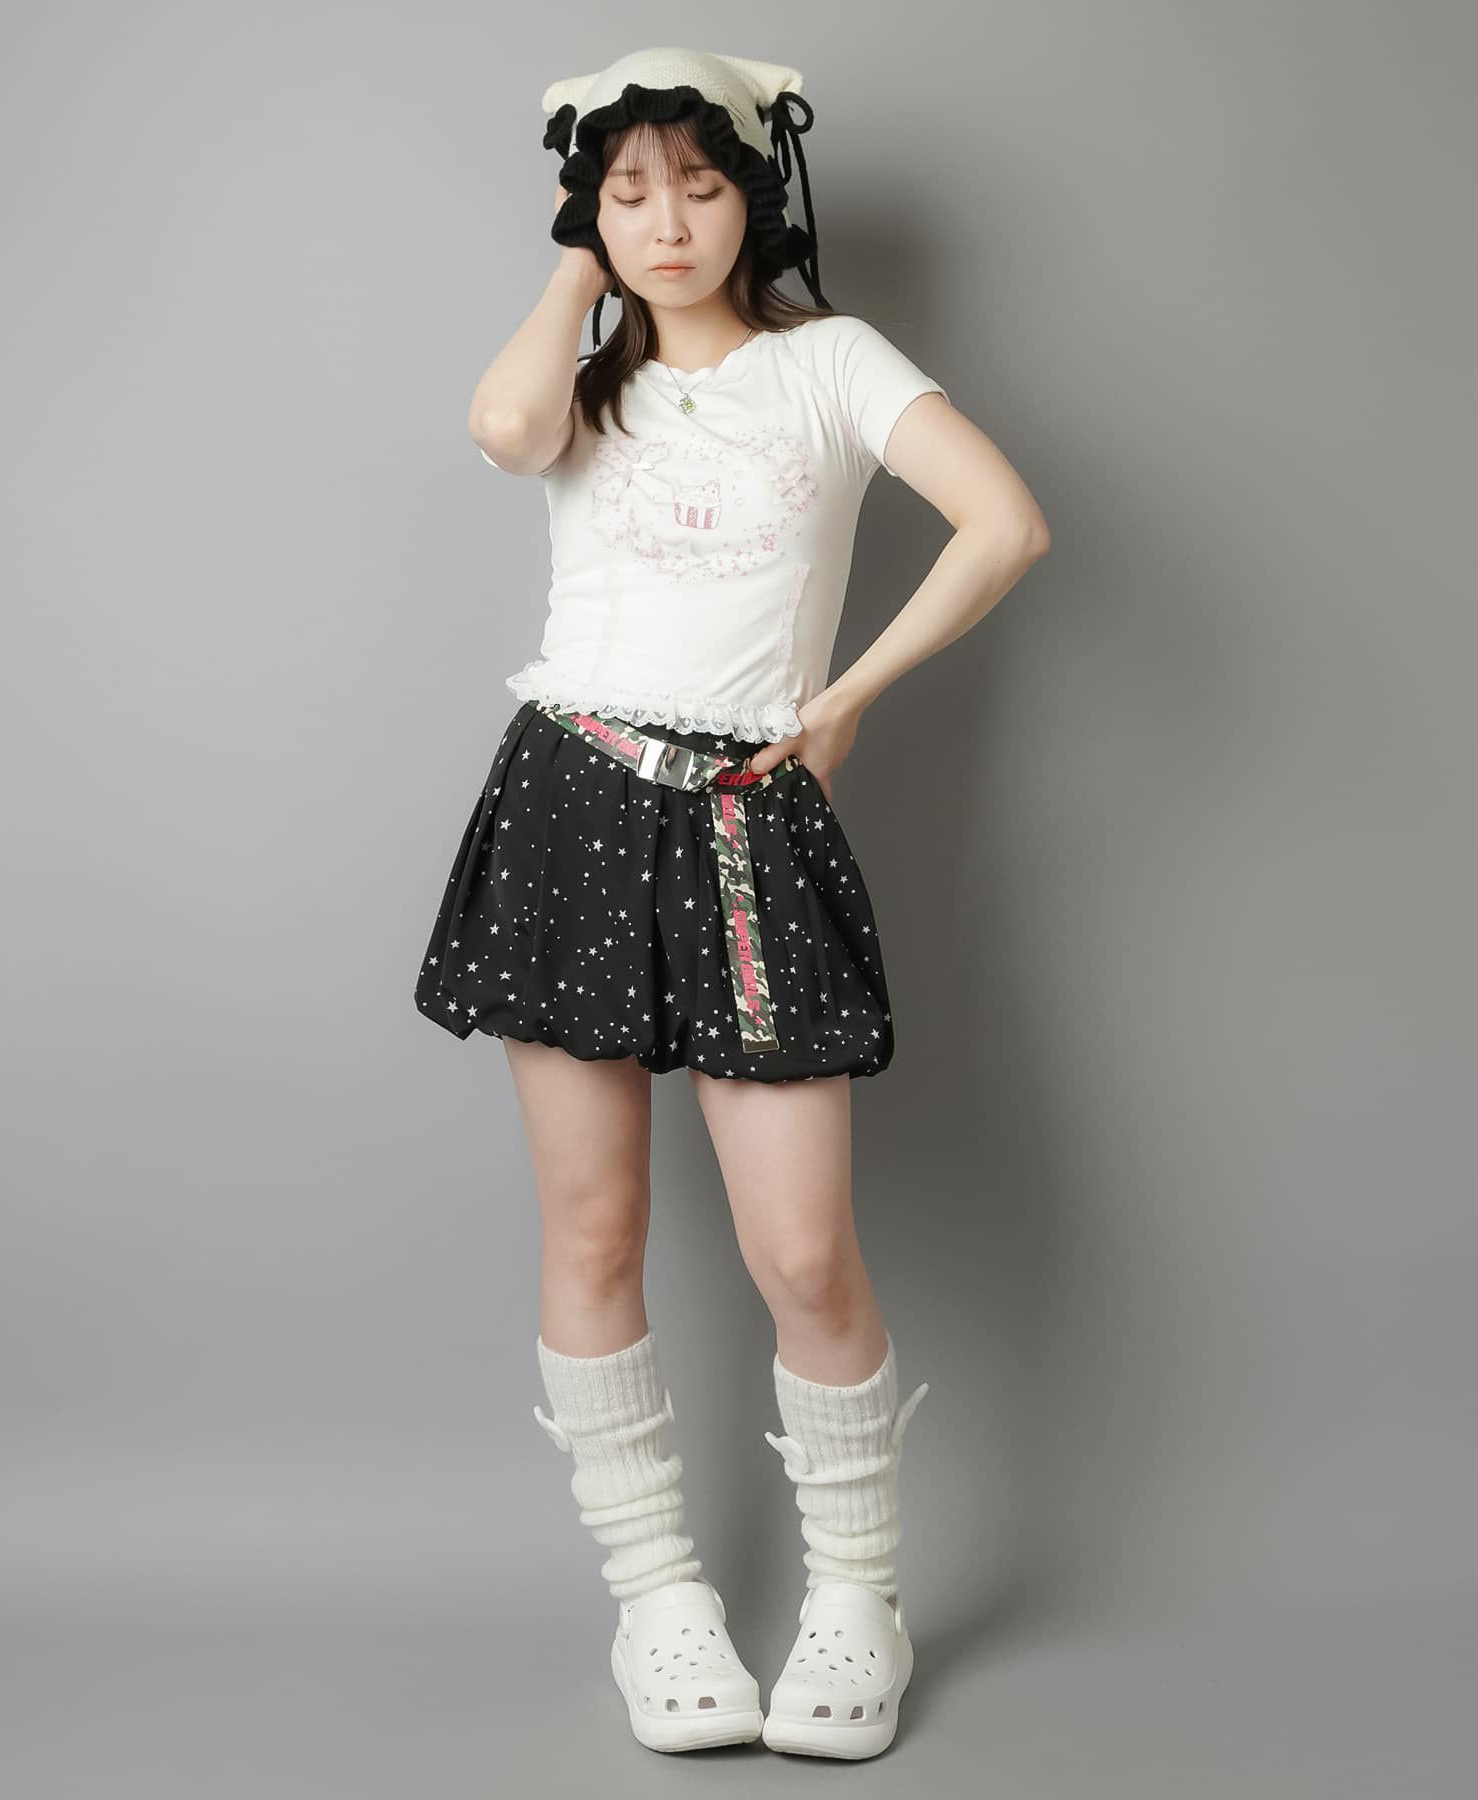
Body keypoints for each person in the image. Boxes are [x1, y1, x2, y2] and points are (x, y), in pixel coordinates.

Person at [412, 46, 1050, 1759]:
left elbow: (1002, 524)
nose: (668, 221)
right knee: (594, 1230)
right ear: (588, 216)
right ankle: (660, 1606)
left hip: (748, 815)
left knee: (802, 1249)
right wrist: (579, 264)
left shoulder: (833, 363)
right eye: (627, 192)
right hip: (569, 795)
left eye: (699, 184)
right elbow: (504, 430)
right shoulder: (579, 381)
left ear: (756, 195)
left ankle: (857, 1600)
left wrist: (847, 699)